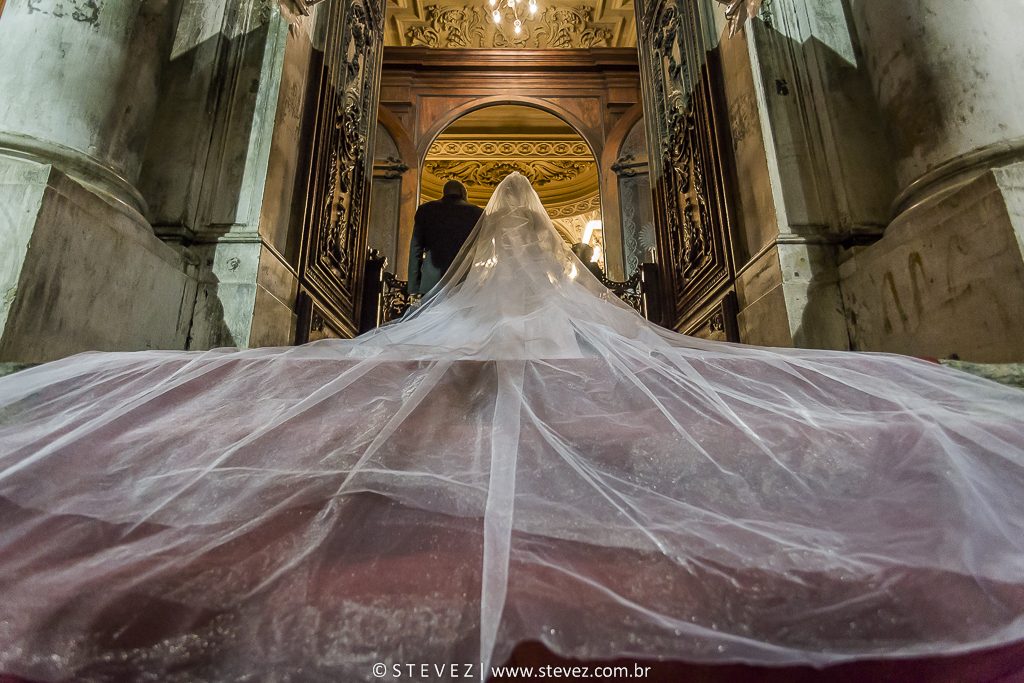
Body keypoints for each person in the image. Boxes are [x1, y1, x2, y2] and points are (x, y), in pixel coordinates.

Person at [1, 173, 1024, 682]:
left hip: (454, 338)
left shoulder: (450, 239)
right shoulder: (545, 273)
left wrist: (416, 316)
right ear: (547, 240)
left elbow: (438, 295)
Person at [407, 179, 483, 296]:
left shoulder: (426, 210)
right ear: (463, 192)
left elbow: (415, 251)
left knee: (430, 314)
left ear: (444, 193)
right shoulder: (478, 213)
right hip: (465, 282)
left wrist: (413, 289)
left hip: (431, 283)